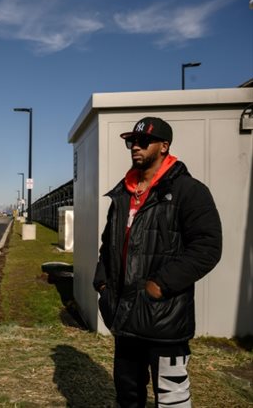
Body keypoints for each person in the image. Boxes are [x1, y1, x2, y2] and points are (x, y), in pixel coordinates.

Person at [93, 117, 222, 408]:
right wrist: (102, 283)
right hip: (125, 316)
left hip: (165, 319)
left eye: (142, 142)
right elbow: (108, 245)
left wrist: (160, 285)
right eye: (131, 142)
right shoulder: (123, 194)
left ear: (164, 146)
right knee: (128, 396)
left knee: (172, 399)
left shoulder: (189, 191)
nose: (134, 147)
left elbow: (207, 247)